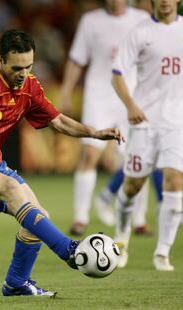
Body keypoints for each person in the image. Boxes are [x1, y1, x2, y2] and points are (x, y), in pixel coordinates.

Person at [0, 29, 124, 296]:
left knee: (40, 218)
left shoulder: (30, 87)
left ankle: (16, 283)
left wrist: (94, 133)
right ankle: (68, 250)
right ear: (0, 61)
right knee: (11, 188)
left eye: (28, 66)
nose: (23, 73)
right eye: (17, 67)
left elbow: (59, 121)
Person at [58, 0, 152, 236]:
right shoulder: (91, 21)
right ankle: (80, 217)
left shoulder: (141, 19)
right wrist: (66, 91)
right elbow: (77, 59)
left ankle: (138, 219)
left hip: (131, 96)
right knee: (90, 153)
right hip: (98, 95)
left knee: (136, 159)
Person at [112, 0, 183, 271]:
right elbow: (117, 74)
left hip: (176, 123)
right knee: (132, 186)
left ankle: (162, 252)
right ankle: (121, 238)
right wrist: (131, 105)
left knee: (175, 181)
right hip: (144, 121)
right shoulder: (140, 32)